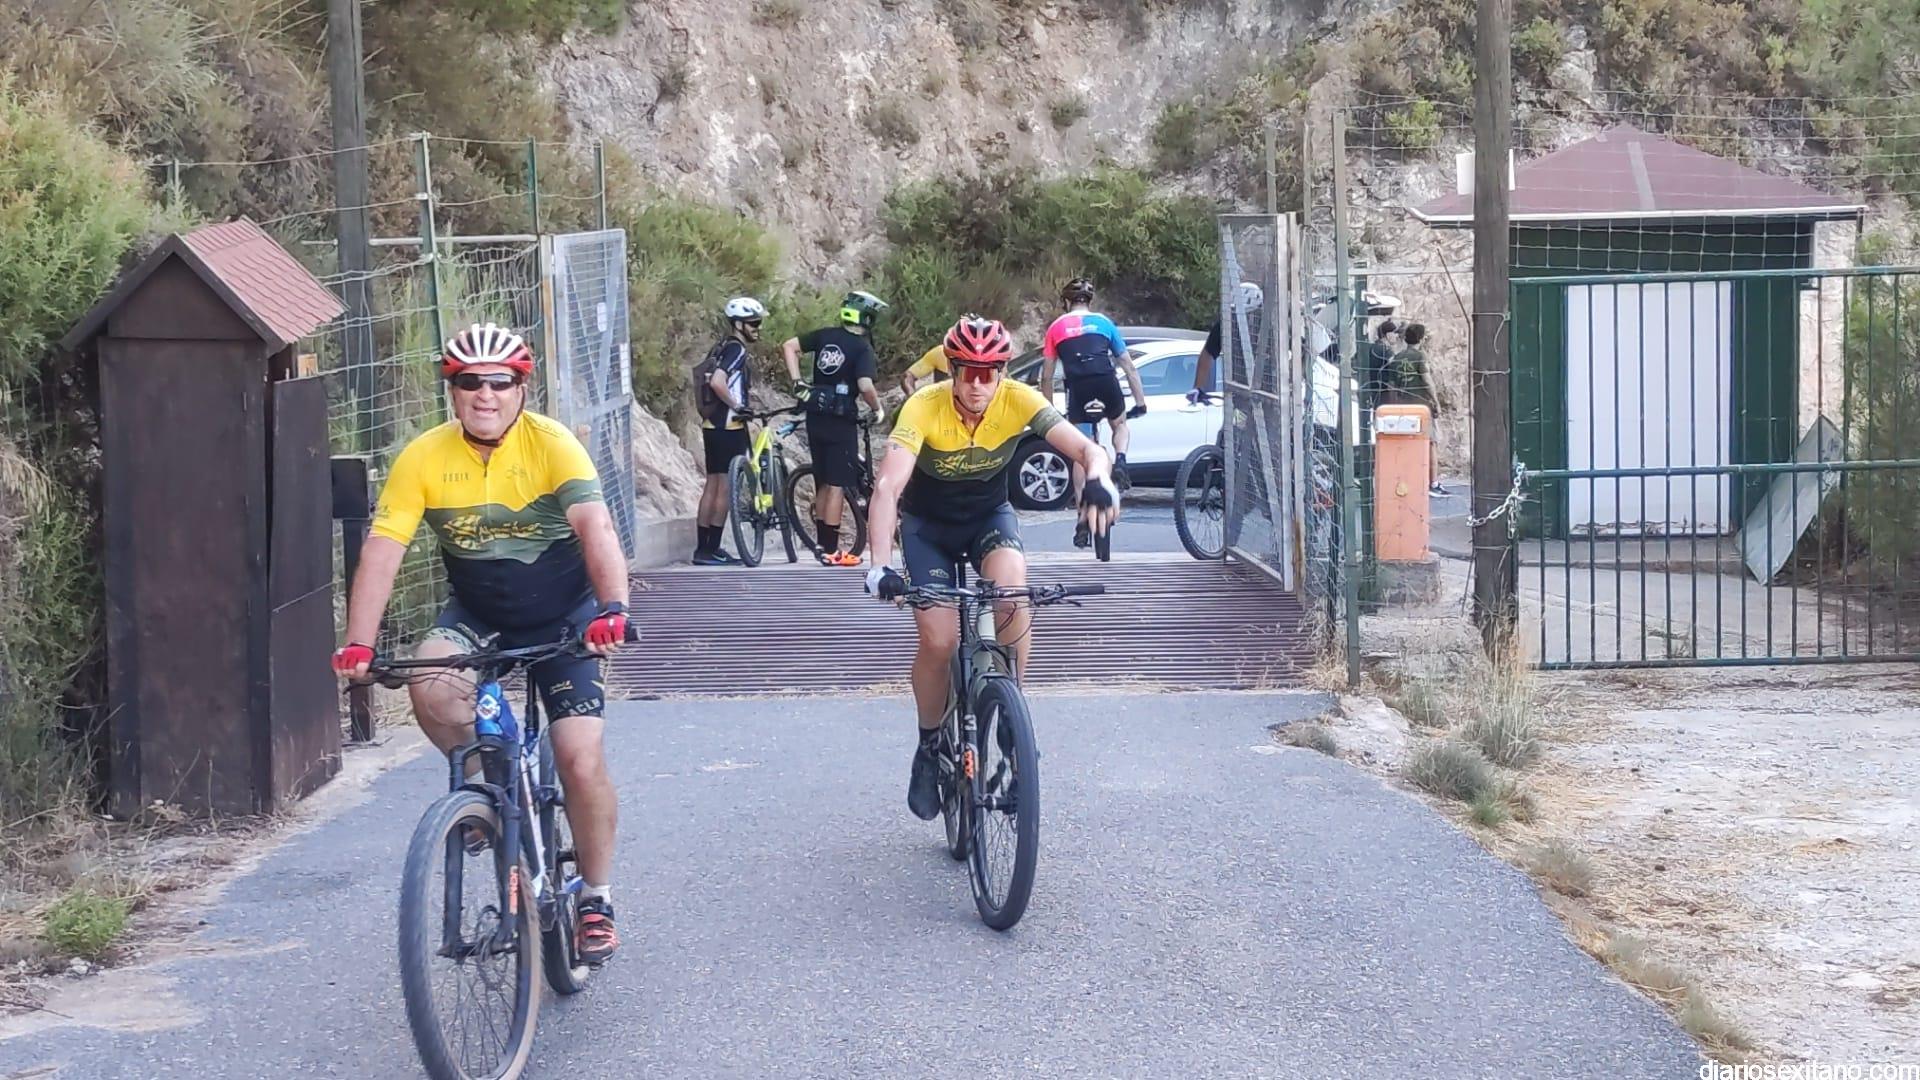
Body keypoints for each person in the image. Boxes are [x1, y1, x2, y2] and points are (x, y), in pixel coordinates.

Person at [331, 322, 630, 965]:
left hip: (564, 617)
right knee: (429, 682)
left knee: (578, 757)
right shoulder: (425, 457)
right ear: (453, 391)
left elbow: (596, 528)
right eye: (470, 382)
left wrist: (612, 608)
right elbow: (382, 550)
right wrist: (358, 643)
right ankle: (484, 789)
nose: (485, 395)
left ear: (522, 388)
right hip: (478, 613)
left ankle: (595, 898)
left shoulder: (553, 445)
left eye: (500, 382)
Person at [862, 316, 1119, 820]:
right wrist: (879, 566)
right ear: (952, 371)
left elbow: (1089, 448)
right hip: (929, 528)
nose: (979, 384)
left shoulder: (1020, 399)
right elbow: (888, 487)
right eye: (968, 372)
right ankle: (929, 745)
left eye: (990, 372)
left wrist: (1099, 479)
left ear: (1002, 372)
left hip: (988, 519)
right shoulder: (923, 406)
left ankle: (1010, 710)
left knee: (1013, 595)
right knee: (939, 640)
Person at [1040, 277, 1146, 547]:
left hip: (1079, 387)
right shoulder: (1105, 323)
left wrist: (1049, 411)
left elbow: (1047, 376)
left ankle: (1080, 517)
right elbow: (1128, 366)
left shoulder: (1055, 328)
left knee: (1082, 450)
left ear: (1066, 302)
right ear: (1089, 301)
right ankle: (1120, 460)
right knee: (1119, 425)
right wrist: (1140, 402)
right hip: (1105, 380)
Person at [783, 290, 886, 566]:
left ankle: (821, 546)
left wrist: (797, 382)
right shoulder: (862, 348)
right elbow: (865, 385)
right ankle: (830, 550)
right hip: (841, 420)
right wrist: (877, 409)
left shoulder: (825, 335)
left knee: (822, 479)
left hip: (815, 416)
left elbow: (789, 346)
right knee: (837, 484)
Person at [692, 296, 767, 566]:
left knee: (712, 484)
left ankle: (703, 549)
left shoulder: (721, 346)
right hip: (729, 425)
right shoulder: (737, 350)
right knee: (724, 487)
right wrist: (738, 406)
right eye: (753, 323)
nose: (757, 328)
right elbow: (718, 382)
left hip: (712, 424)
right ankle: (712, 548)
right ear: (738, 324)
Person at [1385, 322, 1445, 495]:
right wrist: (1436, 402)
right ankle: (1433, 483)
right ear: (1421, 339)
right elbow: (1427, 381)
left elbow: (1391, 387)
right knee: (1431, 443)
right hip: (1422, 406)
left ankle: (1410, 480)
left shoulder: (1395, 358)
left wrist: (1395, 407)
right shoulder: (1420, 356)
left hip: (1404, 406)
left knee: (1407, 445)